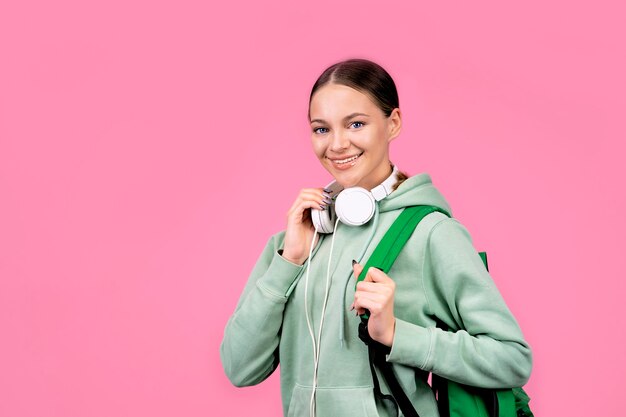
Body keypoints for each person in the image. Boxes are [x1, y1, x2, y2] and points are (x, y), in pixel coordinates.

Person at [220, 58, 532, 417]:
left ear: (393, 123)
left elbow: (512, 358)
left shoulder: (429, 233)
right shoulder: (297, 238)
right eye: (321, 129)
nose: (337, 145)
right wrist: (287, 263)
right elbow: (239, 368)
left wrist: (398, 335)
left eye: (356, 124)